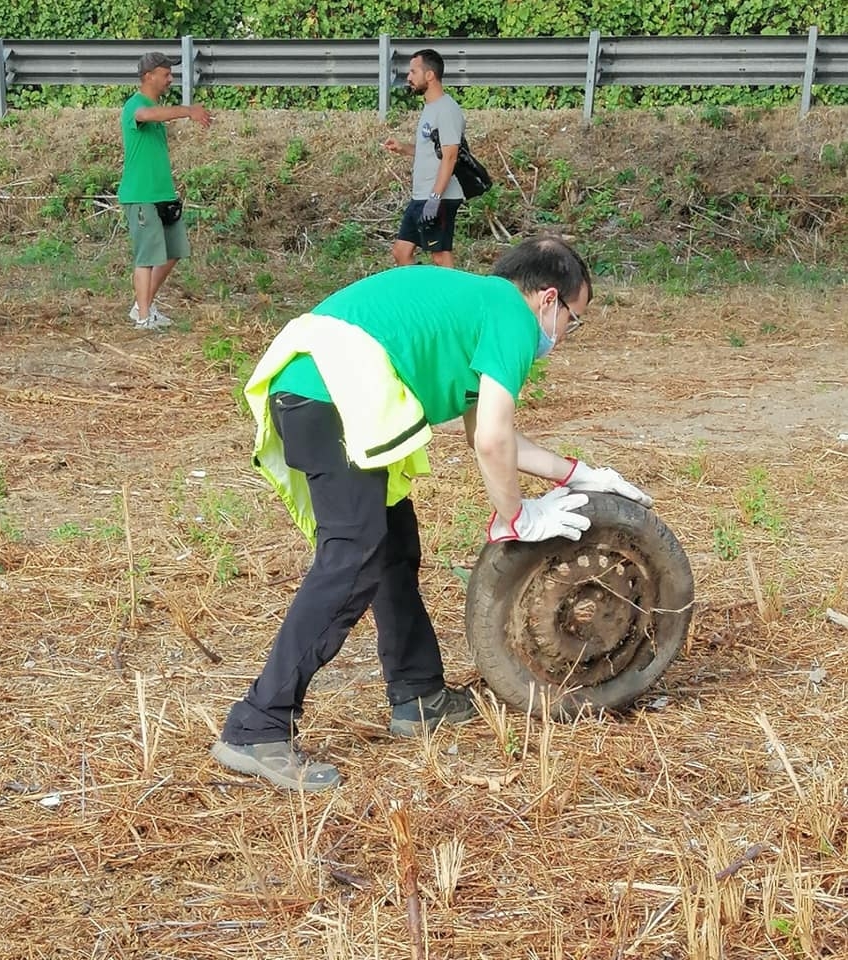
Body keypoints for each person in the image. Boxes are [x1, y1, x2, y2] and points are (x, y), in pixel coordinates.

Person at [211, 235, 652, 792]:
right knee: (352, 560)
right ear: (547, 299)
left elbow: (488, 432)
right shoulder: (512, 318)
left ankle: (418, 694)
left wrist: (577, 474)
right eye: (574, 319)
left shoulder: (478, 306)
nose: (564, 336)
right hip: (330, 396)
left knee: (392, 547)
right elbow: (491, 440)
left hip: (319, 390)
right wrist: (515, 517)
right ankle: (257, 725)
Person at [118, 51, 212, 331]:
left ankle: (141, 306)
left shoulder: (156, 108)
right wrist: (187, 111)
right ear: (149, 76)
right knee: (146, 257)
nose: (170, 79)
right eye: (166, 74)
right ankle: (144, 319)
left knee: (174, 251)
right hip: (140, 195)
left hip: (163, 194)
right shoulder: (136, 105)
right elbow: (145, 115)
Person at [383, 48, 465, 268]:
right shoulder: (430, 108)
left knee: (439, 255)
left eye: (413, 72)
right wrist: (404, 148)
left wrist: (435, 197)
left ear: (429, 75)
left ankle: (453, 300)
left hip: (438, 197)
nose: (408, 77)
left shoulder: (447, 110)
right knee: (401, 252)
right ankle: (418, 298)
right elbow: (431, 151)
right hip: (421, 196)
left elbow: (450, 156)